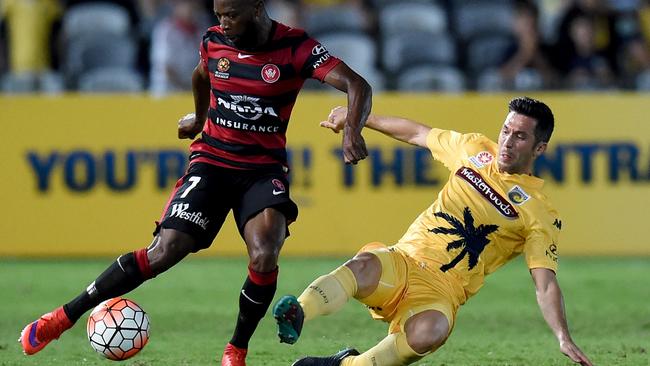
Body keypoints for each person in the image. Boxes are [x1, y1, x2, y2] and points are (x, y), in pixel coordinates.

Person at [19, 0, 372, 365]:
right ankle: (61, 318)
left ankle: (236, 349)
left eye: (231, 14)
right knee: (164, 251)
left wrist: (351, 134)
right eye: (219, 15)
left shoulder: (296, 47)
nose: (223, 22)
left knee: (265, 252)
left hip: (263, 170)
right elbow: (201, 75)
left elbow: (357, 85)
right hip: (212, 161)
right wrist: (199, 116)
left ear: (256, 8)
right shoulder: (213, 41)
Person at [273, 97, 594, 366]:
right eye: (506, 130)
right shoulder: (473, 150)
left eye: (520, 136)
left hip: (443, 291)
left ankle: (344, 364)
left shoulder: (539, 211)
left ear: (539, 148)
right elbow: (416, 133)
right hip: (405, 260)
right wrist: (359, 118)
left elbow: (545, 282)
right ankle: (298, 312)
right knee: (365, 265)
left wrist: (563, 336)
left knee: (432, 332)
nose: (507, 142)